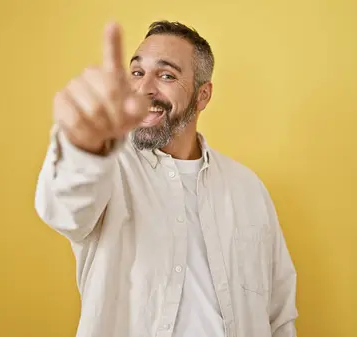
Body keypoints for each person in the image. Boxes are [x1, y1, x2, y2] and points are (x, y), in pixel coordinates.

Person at [34, 20, 298, 337]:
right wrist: (84, 146)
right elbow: (65, 208)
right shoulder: (109, 168)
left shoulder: (249, 189)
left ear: (203, 96)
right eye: (136, 72)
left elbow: (279, 315)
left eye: (166, 75)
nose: (145, 88)